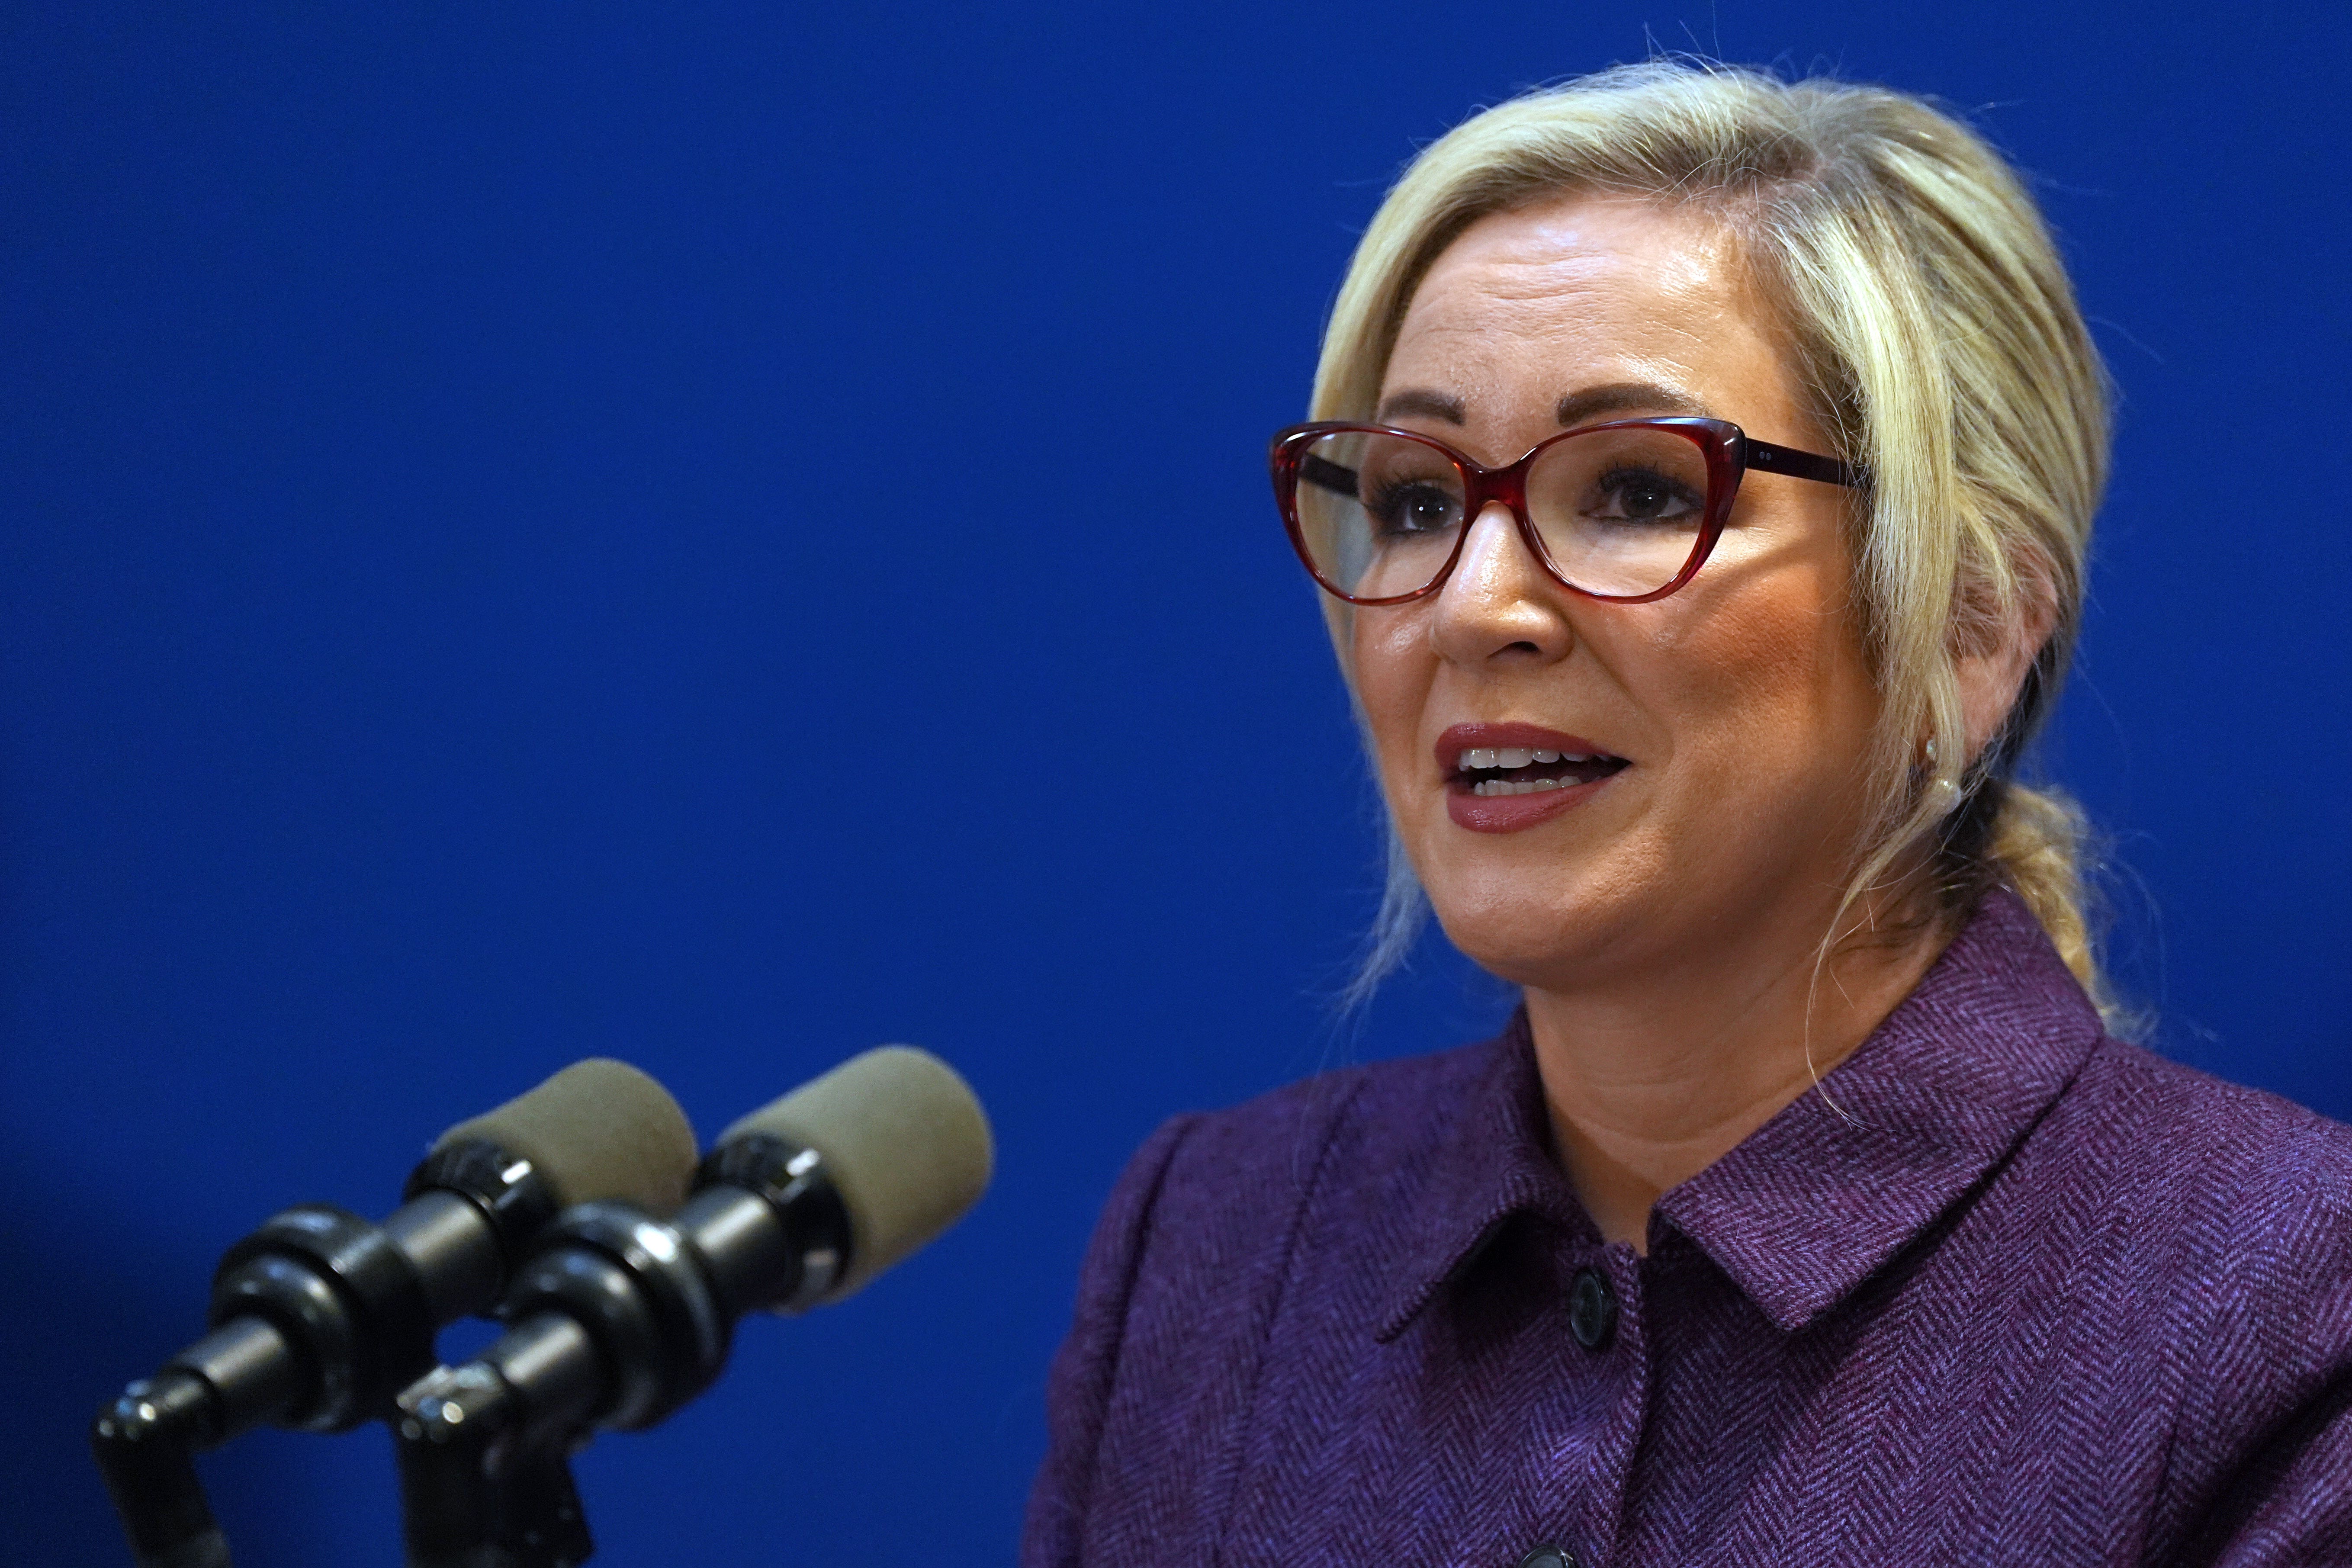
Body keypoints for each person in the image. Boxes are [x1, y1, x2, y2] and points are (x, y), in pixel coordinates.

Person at [1021, 60, 2352, 1567]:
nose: (1469, 607)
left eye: (1640, 491)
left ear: (1967, 628)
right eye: (1414, 503)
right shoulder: (1215, 1245)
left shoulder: (2286, 1316)